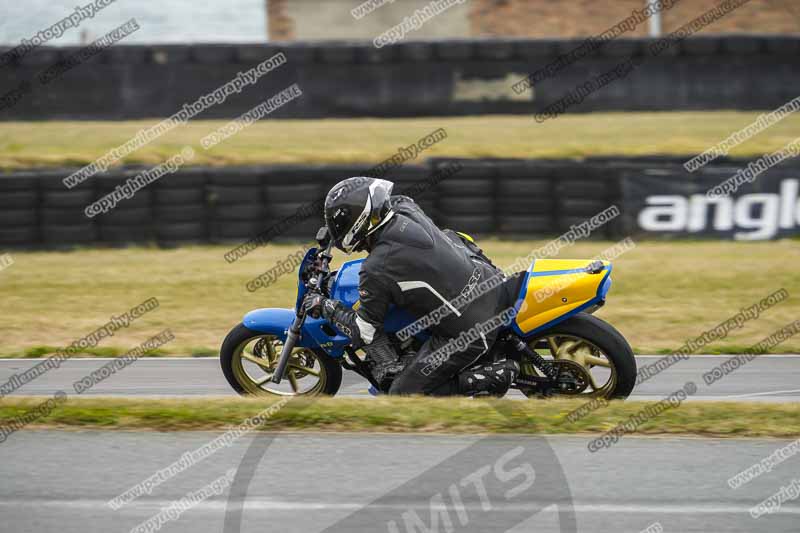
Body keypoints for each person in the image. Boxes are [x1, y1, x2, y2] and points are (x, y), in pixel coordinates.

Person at [303, 177, 520, 396]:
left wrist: (326, 306)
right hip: (487, 277)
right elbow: (386, 204)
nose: (337, 227)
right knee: (451, 236)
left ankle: (492, 377)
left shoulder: (376, 268)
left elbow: (365, 331)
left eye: (340, 223)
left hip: (472, 330)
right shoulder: (405, 207)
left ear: (357, 222)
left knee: (402, 394)